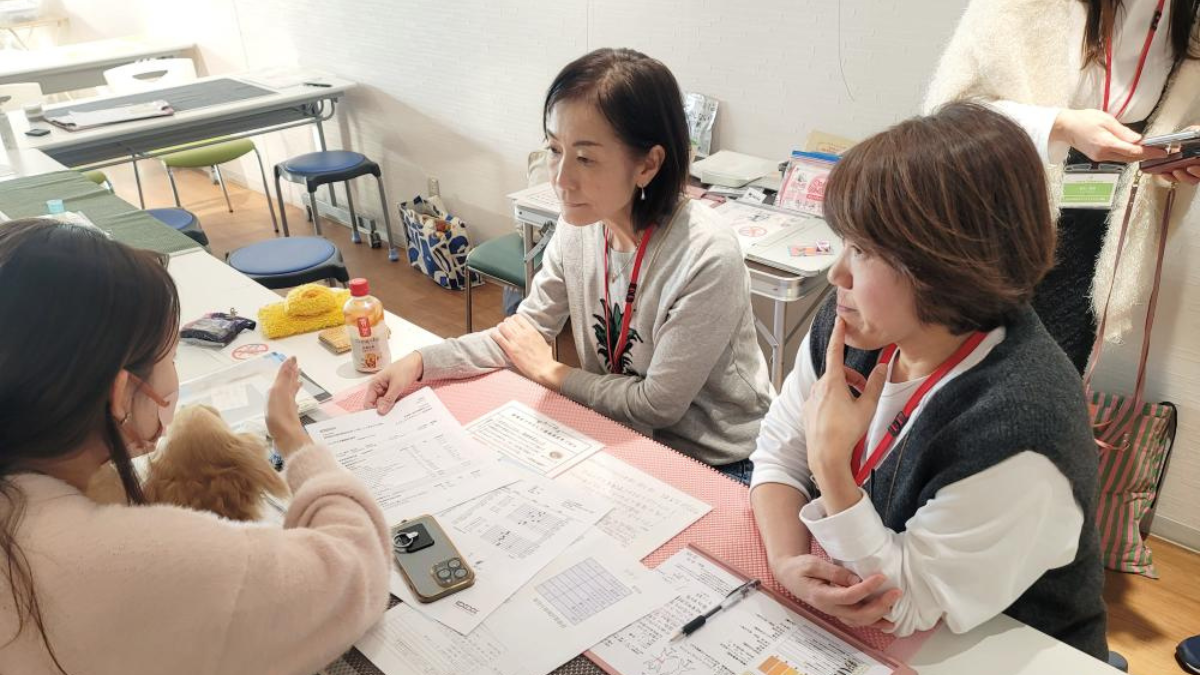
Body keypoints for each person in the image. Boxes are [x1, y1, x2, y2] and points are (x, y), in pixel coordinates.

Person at [749, 103, 1109, 660]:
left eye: (862, 251)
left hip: (1006, 651)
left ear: (945, 265)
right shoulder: (856, 327)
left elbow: (900, 604)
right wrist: (786, 561)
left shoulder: (1022, 422)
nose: (836, 273)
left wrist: (830, 467)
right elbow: (778, 453)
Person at [0, 219, 390, 675]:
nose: (174, 375)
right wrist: (295, 441)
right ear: (121, 394)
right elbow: (356, 571)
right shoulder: (146, 560)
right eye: (170, 358)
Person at [366, 48, 773, 481]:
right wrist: (420, 362)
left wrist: (550, 371)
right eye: (555, 149)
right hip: (622, 430)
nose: (560, 179)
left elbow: (658, 404)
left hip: (718, 460)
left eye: (585, 158)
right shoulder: (580, 226)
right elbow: (521, 336)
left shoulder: (705, 255)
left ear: (648, 164)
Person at [924, 0, 1200, 373]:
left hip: (1098, 229)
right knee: (959, 366)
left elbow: (1177, 118)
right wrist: (1060, 125)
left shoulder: (1189, 15)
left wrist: (1179, 151)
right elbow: (950, 115)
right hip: (999, 213)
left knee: (1053, 370)